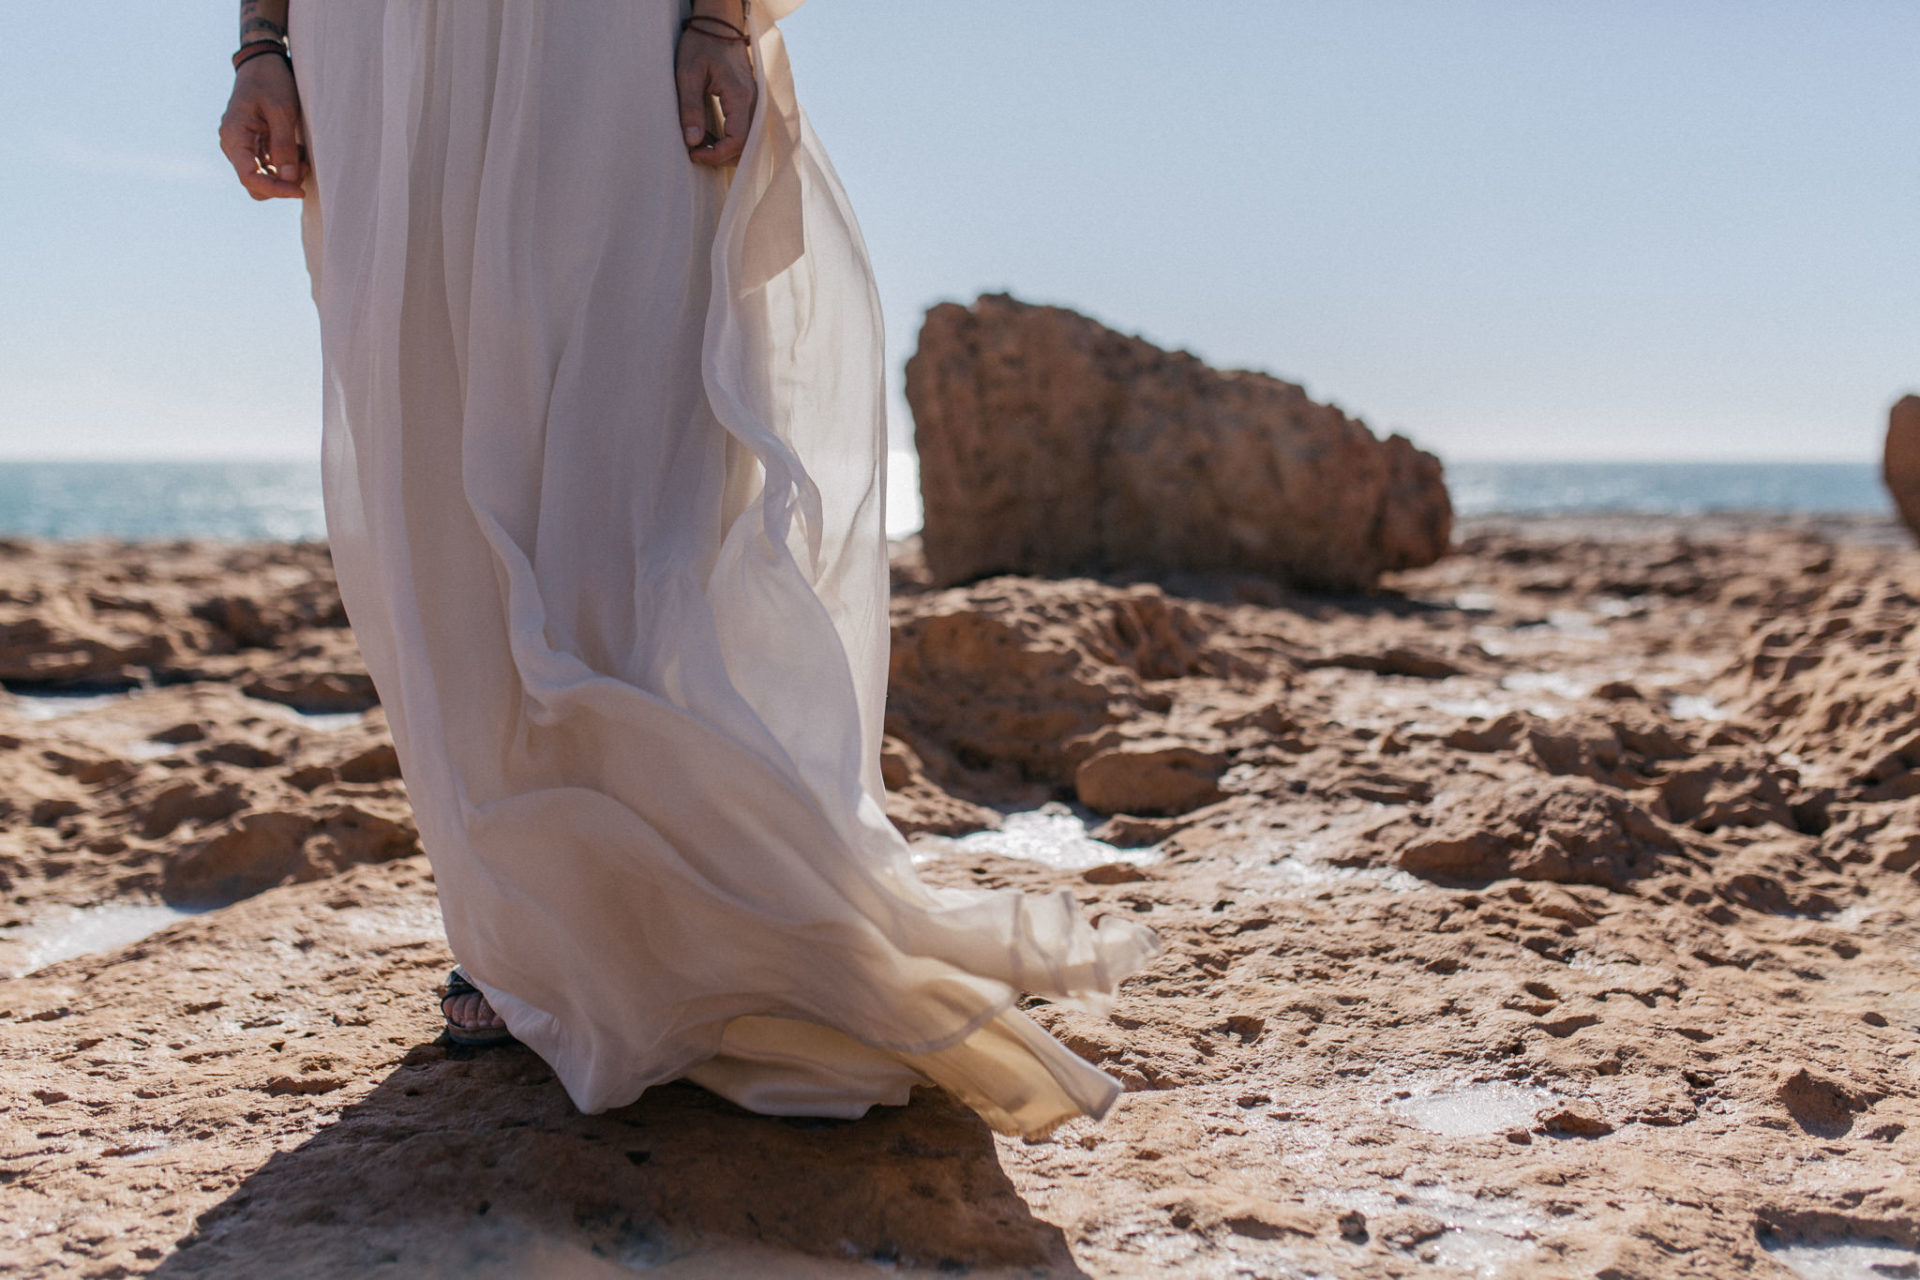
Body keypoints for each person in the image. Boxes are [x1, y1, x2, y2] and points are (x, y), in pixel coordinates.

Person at [217, 0, 1157, 1139]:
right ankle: (527, 936)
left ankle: (701, 921)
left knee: (642, 454)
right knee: (429, 471)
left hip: (596, 30)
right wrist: (262, 40)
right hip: (376, 40)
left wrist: (717, 13)